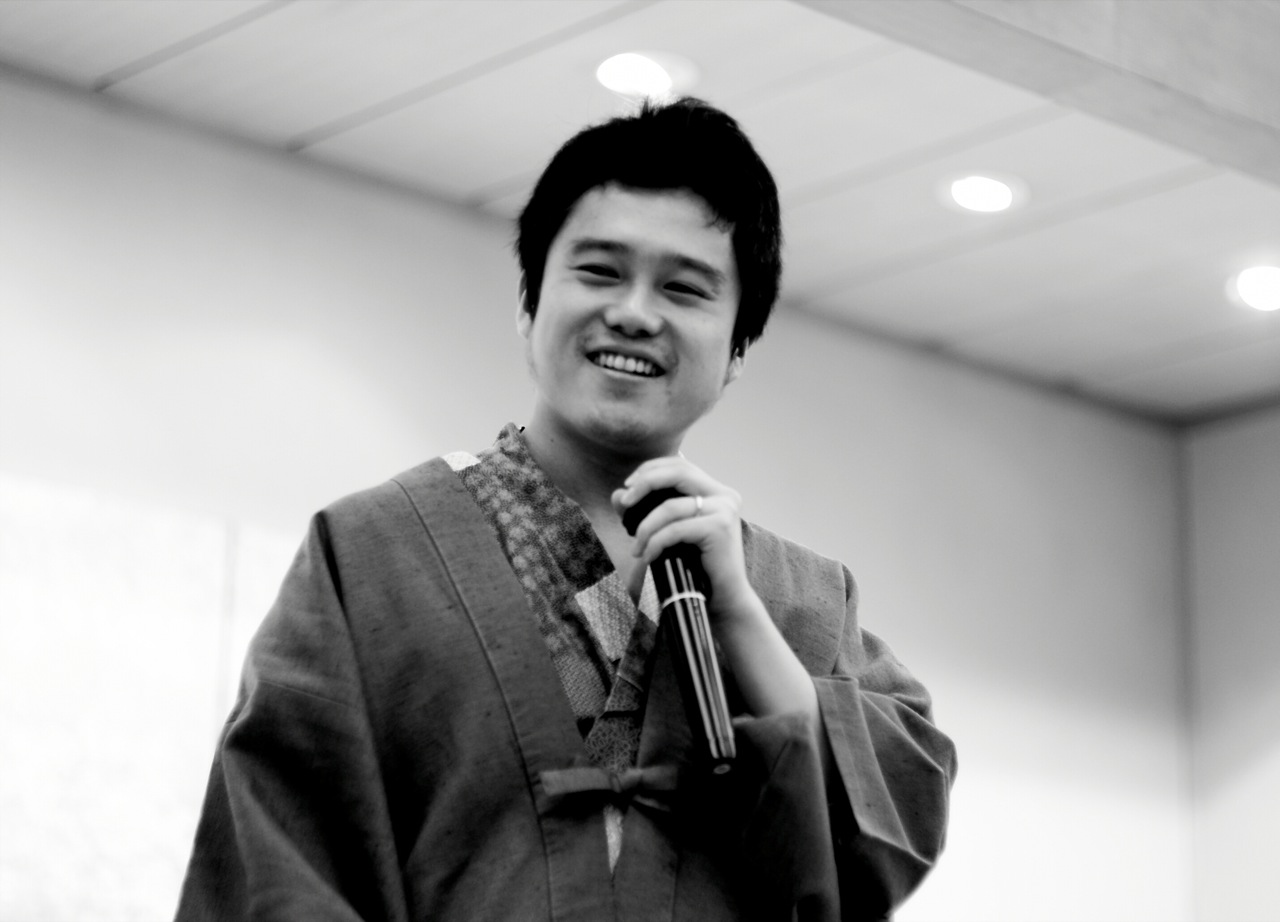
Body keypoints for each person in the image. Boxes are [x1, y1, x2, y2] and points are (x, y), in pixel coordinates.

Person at [176, 97, 956, 922]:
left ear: (736, 354)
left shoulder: (803, 600)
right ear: (528, 304)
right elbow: (280, 860)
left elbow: (884, 837)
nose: (634, 312)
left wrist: (747, 630)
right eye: (599, 271)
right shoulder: (373, 553)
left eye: (685, 289)